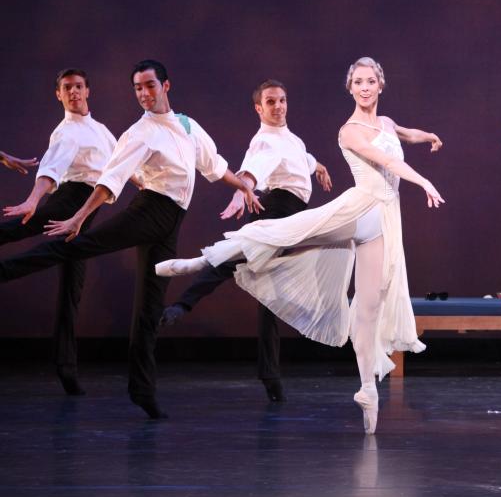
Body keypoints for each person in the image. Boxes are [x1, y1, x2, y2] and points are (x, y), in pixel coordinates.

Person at [155, 57, 443, 434]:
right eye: (358, 81)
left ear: (380, 84)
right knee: (279, 236)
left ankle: (367, 391)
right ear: (351, 87)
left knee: (368, 309)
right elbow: (384, 158)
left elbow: (401, 135)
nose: (365, 86)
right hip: (356, 209)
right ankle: (195, 263)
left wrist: (428, 137)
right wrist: (423, 181)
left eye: (371, 80)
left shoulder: (381, 124)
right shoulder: (349, 131)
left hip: (383, 222)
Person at [0, 60, 260, 419]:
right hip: (149, 211)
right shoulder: (139, 132)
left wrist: (243, 185)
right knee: (77, 245)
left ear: (165, 86)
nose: (143, 93)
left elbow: (213, 165)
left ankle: (142, 390)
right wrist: (78, 217)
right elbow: (112, 178)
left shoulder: (187, 125)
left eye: (149, 86)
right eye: (137, 88)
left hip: (171, 222)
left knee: (149, 306)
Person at [159, 79, 333, 402]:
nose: (278, 106)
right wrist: (243, 190)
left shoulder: (289, 139)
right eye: (271, 102)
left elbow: (303, 158)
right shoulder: (264, 141)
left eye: (282, 100)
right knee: (232, 261)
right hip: (276, 212)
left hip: (289, 217)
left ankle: (270, 375)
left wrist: (319, 167)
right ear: (259, 108)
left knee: (268, 294)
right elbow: (254, 169)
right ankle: (181, 306)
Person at [0, 69, 117, 394]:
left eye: (79, 86)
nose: (74, 92)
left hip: (87, 208)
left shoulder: (102, 130)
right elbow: (51, 168)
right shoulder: (66, 132)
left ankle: (67, 367)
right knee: (17, 227)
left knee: (72, 288)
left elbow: (119, 166)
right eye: (67, 88)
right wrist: (33, 200)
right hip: (69, 200)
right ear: (59, 95)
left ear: (87, 91)